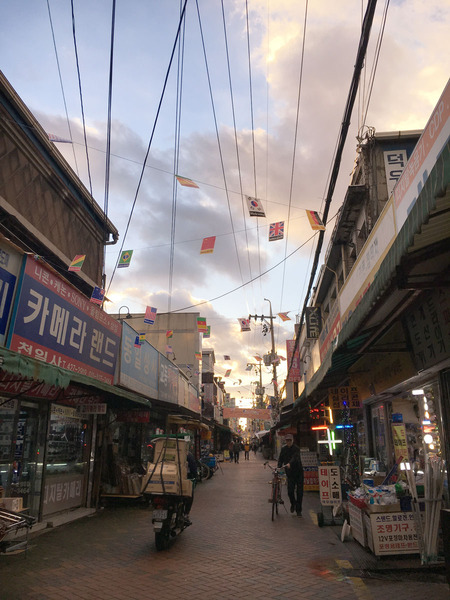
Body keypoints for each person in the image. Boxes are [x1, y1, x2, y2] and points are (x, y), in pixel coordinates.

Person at [277, 434, 304, 517]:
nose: (288, 442)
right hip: (290, 474)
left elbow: (295, 458)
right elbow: (280, 459)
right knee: (290, 491)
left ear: (292, 440)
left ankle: (298, 510)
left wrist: (290, 463)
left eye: (290, 440)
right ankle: (293, 504)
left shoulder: (296, 448)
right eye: (287, 440)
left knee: (299, 492)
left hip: (298, 473)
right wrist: (278, 467)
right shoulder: (284, 449)